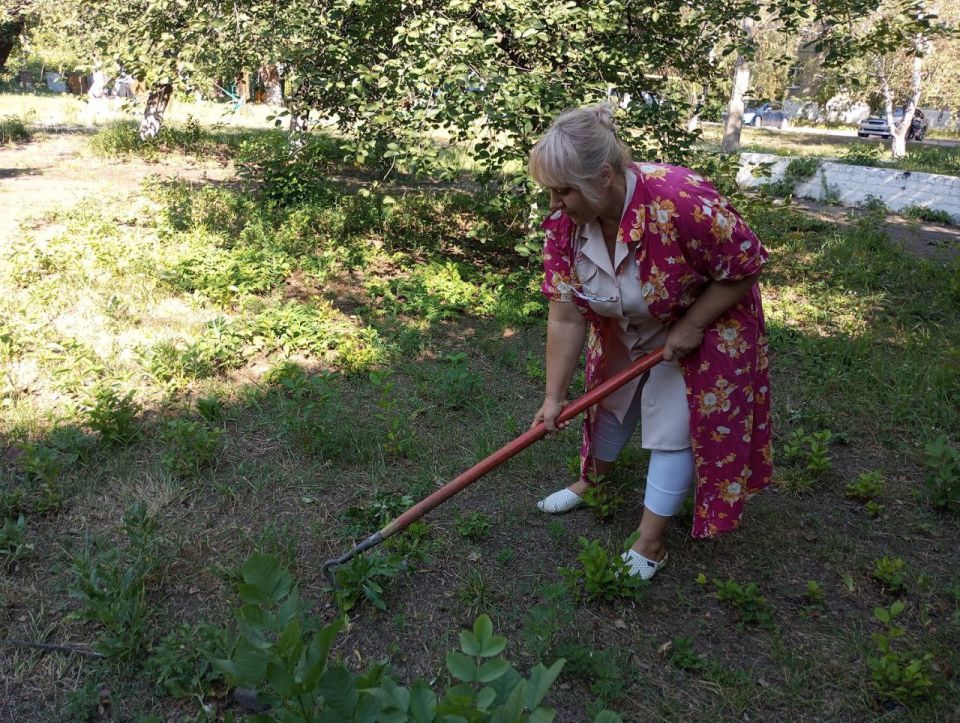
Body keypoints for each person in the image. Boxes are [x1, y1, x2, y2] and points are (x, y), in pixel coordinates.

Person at [528, 105, 773, 580]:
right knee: (611, 402)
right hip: (628, 321)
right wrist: (554, 396)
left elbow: (746, 263)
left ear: (603, 177)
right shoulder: (566, 224)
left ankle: (650, 542)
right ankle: (591, 484)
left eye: (564, 191)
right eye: (551, 191)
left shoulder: (681, 201)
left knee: (673, 425)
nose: (555, 204)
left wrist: (693, 324)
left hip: (704, 319)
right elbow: (565, 314)